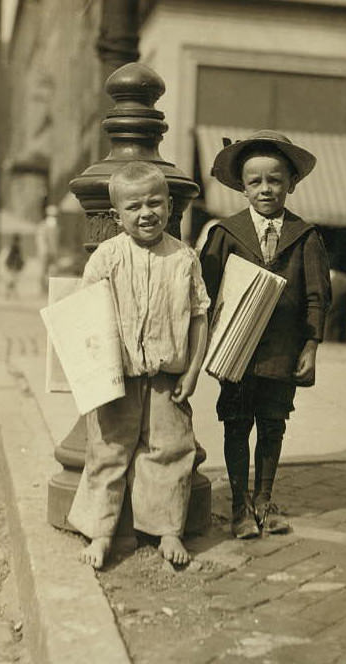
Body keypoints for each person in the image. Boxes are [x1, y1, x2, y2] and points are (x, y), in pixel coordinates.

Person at [67, 162, 210, 569]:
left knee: (171, 448)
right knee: (108, 451)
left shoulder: (183, 258)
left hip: (167, 375)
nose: (146, 213)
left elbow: (200, 315)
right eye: (134, 207)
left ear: (168, 206)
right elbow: (84, 317)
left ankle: (167, 529)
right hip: (119, 375)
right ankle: (101, 532)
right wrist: (93, 373)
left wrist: (193, 369)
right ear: (117, 216)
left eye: (155, 203)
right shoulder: (107, 258)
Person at [199, 130, 330, 539]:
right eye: (255, 182)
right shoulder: (226, 234)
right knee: (236, 424)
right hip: (236, 351)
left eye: (275, 180)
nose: (266, 189)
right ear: (242, 187)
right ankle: (239, 506)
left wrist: (311, 344)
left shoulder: (305, 236)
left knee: (273, 423)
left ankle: (264, 499)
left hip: (281, 351)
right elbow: (204, 291)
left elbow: (317, 295)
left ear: (291, 183)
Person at [36, 204, 60, 293]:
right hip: (45, 253)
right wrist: (44, 251)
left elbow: (56, 241)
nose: (53, 217)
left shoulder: (56, 227)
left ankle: (51, 289)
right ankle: (43, 288)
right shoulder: (43, 226)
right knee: (43, 271)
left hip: (53, 252)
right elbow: (40, 240)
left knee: (53, 271)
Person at [0, 234, 25, 299]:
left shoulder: (12, 247)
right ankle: (11, 294)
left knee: (11, 281)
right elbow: (14, 258)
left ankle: (10, 294)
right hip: (12, 266)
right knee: (12, 281)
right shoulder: (15, 248)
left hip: (11, 266)